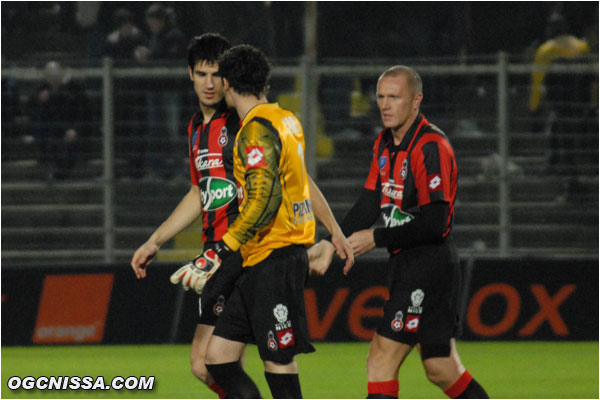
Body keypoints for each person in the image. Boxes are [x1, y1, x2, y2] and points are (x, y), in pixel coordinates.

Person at [131, 37, 351, 399]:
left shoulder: (242, 123)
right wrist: (155, 240)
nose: (209, 83)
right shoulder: (196, 130)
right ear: (190, 74)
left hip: (242, 252)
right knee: (209, 363)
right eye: (201, 73)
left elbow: (295, 178)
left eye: (217, 74)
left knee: (222, 360)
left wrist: (333, 229)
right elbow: (198, 193)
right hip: (224, 252)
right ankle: (312, 251)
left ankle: (312, 250)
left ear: (229, 81)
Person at [330, 66, 489, 398]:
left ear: (416, 101)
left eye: (395, 97)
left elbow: (436, 222)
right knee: (441, 368)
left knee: (380, 359)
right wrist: (331, 241)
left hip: (429, 267)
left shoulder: (431, 146)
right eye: (381, 97)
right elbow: (370, 202)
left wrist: (376, 238)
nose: (385, 105)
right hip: (410, 265)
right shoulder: (385, 143)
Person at [26, 60, 91, 180]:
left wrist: (75, 130)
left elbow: (83, 113)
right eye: (50, 76)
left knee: (70, 144)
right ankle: (51, 166)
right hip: (52, 130)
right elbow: (30, 105)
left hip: (72, 127)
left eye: (55, 75)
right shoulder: (42, 88)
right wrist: (39, 99)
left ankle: (60, 173)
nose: (53, 79)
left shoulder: (74, 87)